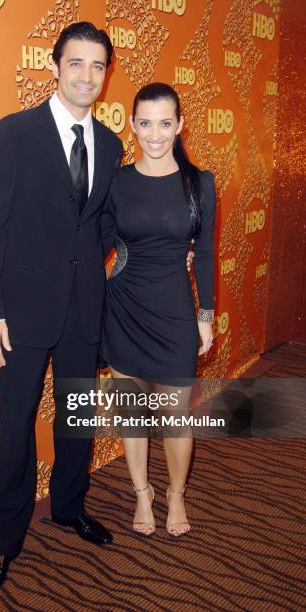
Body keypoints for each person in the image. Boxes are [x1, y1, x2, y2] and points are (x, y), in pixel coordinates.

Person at [0, 22, 123, 595]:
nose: (87, 75)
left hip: (85, 309)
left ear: (106, 75)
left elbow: (102, 226)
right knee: (13, 428)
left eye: (98, 66)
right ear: (55, 67)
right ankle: (4, 541)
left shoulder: (110, 146)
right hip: (20, 314)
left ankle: (68, 507)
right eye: (76, 63)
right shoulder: (12, 134)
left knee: (76, 419)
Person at [100, 82, 216, 538]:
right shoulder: (117, 182)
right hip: (124, 307)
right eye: (145, 123)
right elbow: (97, 244)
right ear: (132, 126)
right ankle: (142, 495)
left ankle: (176, 494)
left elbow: (204, 254)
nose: (154, 134)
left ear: (179, 125)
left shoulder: (199, 183)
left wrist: (204, 315)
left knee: (175, 417)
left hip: (173, 314)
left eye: (164, 123)